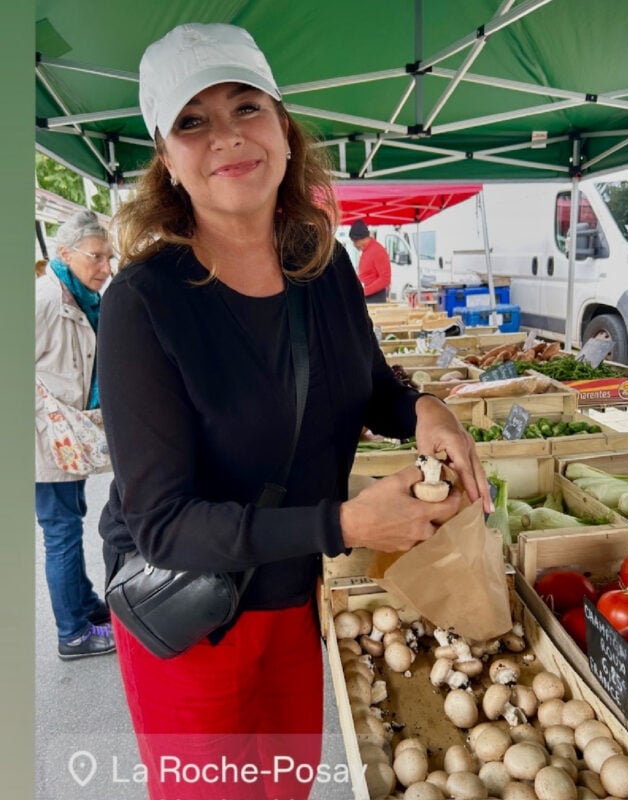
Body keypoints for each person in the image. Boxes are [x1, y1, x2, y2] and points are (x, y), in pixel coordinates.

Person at [97, 22, 492, 800]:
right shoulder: (143, 304)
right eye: (192, 121)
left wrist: (428, 409)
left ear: (283, 129)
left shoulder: (321, 261)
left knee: (287, 786)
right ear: (167, 160)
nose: (226, 138)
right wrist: (343, 526)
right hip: (192, 620)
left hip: (290, 597)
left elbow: (370, 384)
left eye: (246, 107)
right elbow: (164, 525)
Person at [35, 209, 115, 660]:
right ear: (65, 253)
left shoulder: (78, 295)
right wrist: (46, 418)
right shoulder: (46, 299)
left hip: (67, 435)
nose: (105, 268)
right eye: (96, 257)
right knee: (61, 531)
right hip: (45, 438)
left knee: (70, 517)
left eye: (109, 257)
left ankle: (83, 604)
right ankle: (73, 634)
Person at [348, 218, 392, 303]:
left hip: (375, 298)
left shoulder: (378, 251)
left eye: (354, 242)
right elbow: (366, 274)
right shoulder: (366, 251)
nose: (354, 245)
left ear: (359, 239)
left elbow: (385, 278)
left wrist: (365, 291)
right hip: (366, 296)